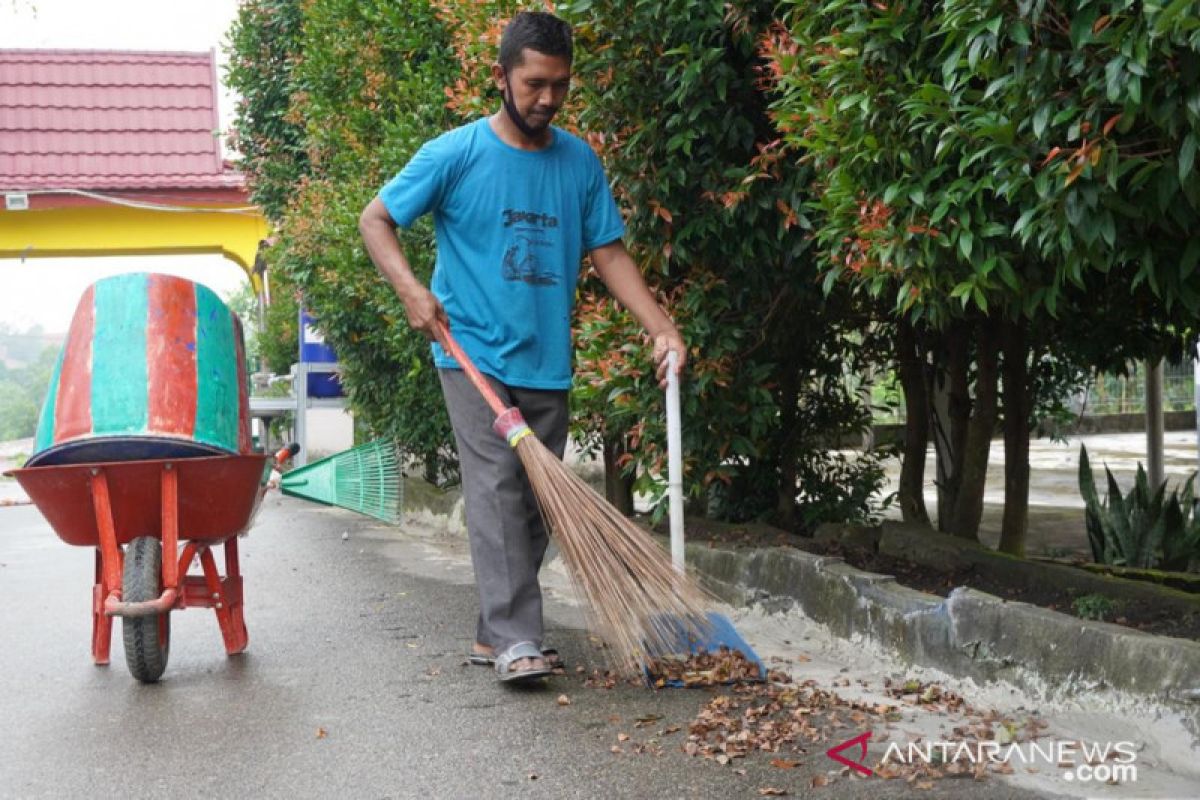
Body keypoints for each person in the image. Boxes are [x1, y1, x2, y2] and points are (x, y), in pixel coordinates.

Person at [359, 10, 685, 684]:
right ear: (501, 76)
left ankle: (493, 632)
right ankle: (516, 639)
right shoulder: (456, 153)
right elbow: (377, 219)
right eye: (535, 83)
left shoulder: (578, 161)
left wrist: (661, 325)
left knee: (539, 501)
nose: (547, 99)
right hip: (470, 353)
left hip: (545, 358)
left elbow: (608, 251)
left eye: (559, 85)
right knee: (499, 490)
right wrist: (412, 293)